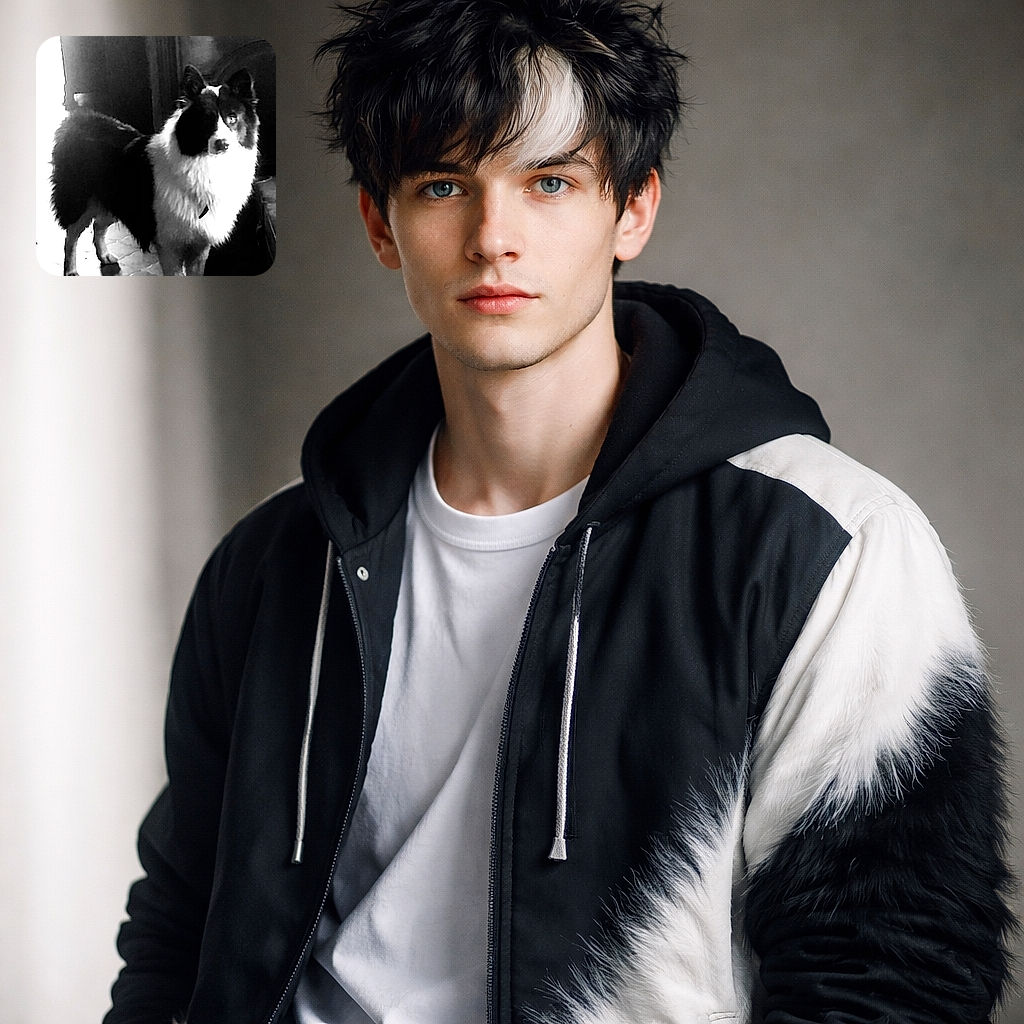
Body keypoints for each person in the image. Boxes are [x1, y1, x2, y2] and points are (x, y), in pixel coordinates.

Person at [105, 1, 1015, 1021]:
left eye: (549, 183)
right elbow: (180, 927)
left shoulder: (825, 547)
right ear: (380, 224)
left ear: (633, 209)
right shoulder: (275, 558)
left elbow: (894, 977)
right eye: (444, 185)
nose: (494, 238)